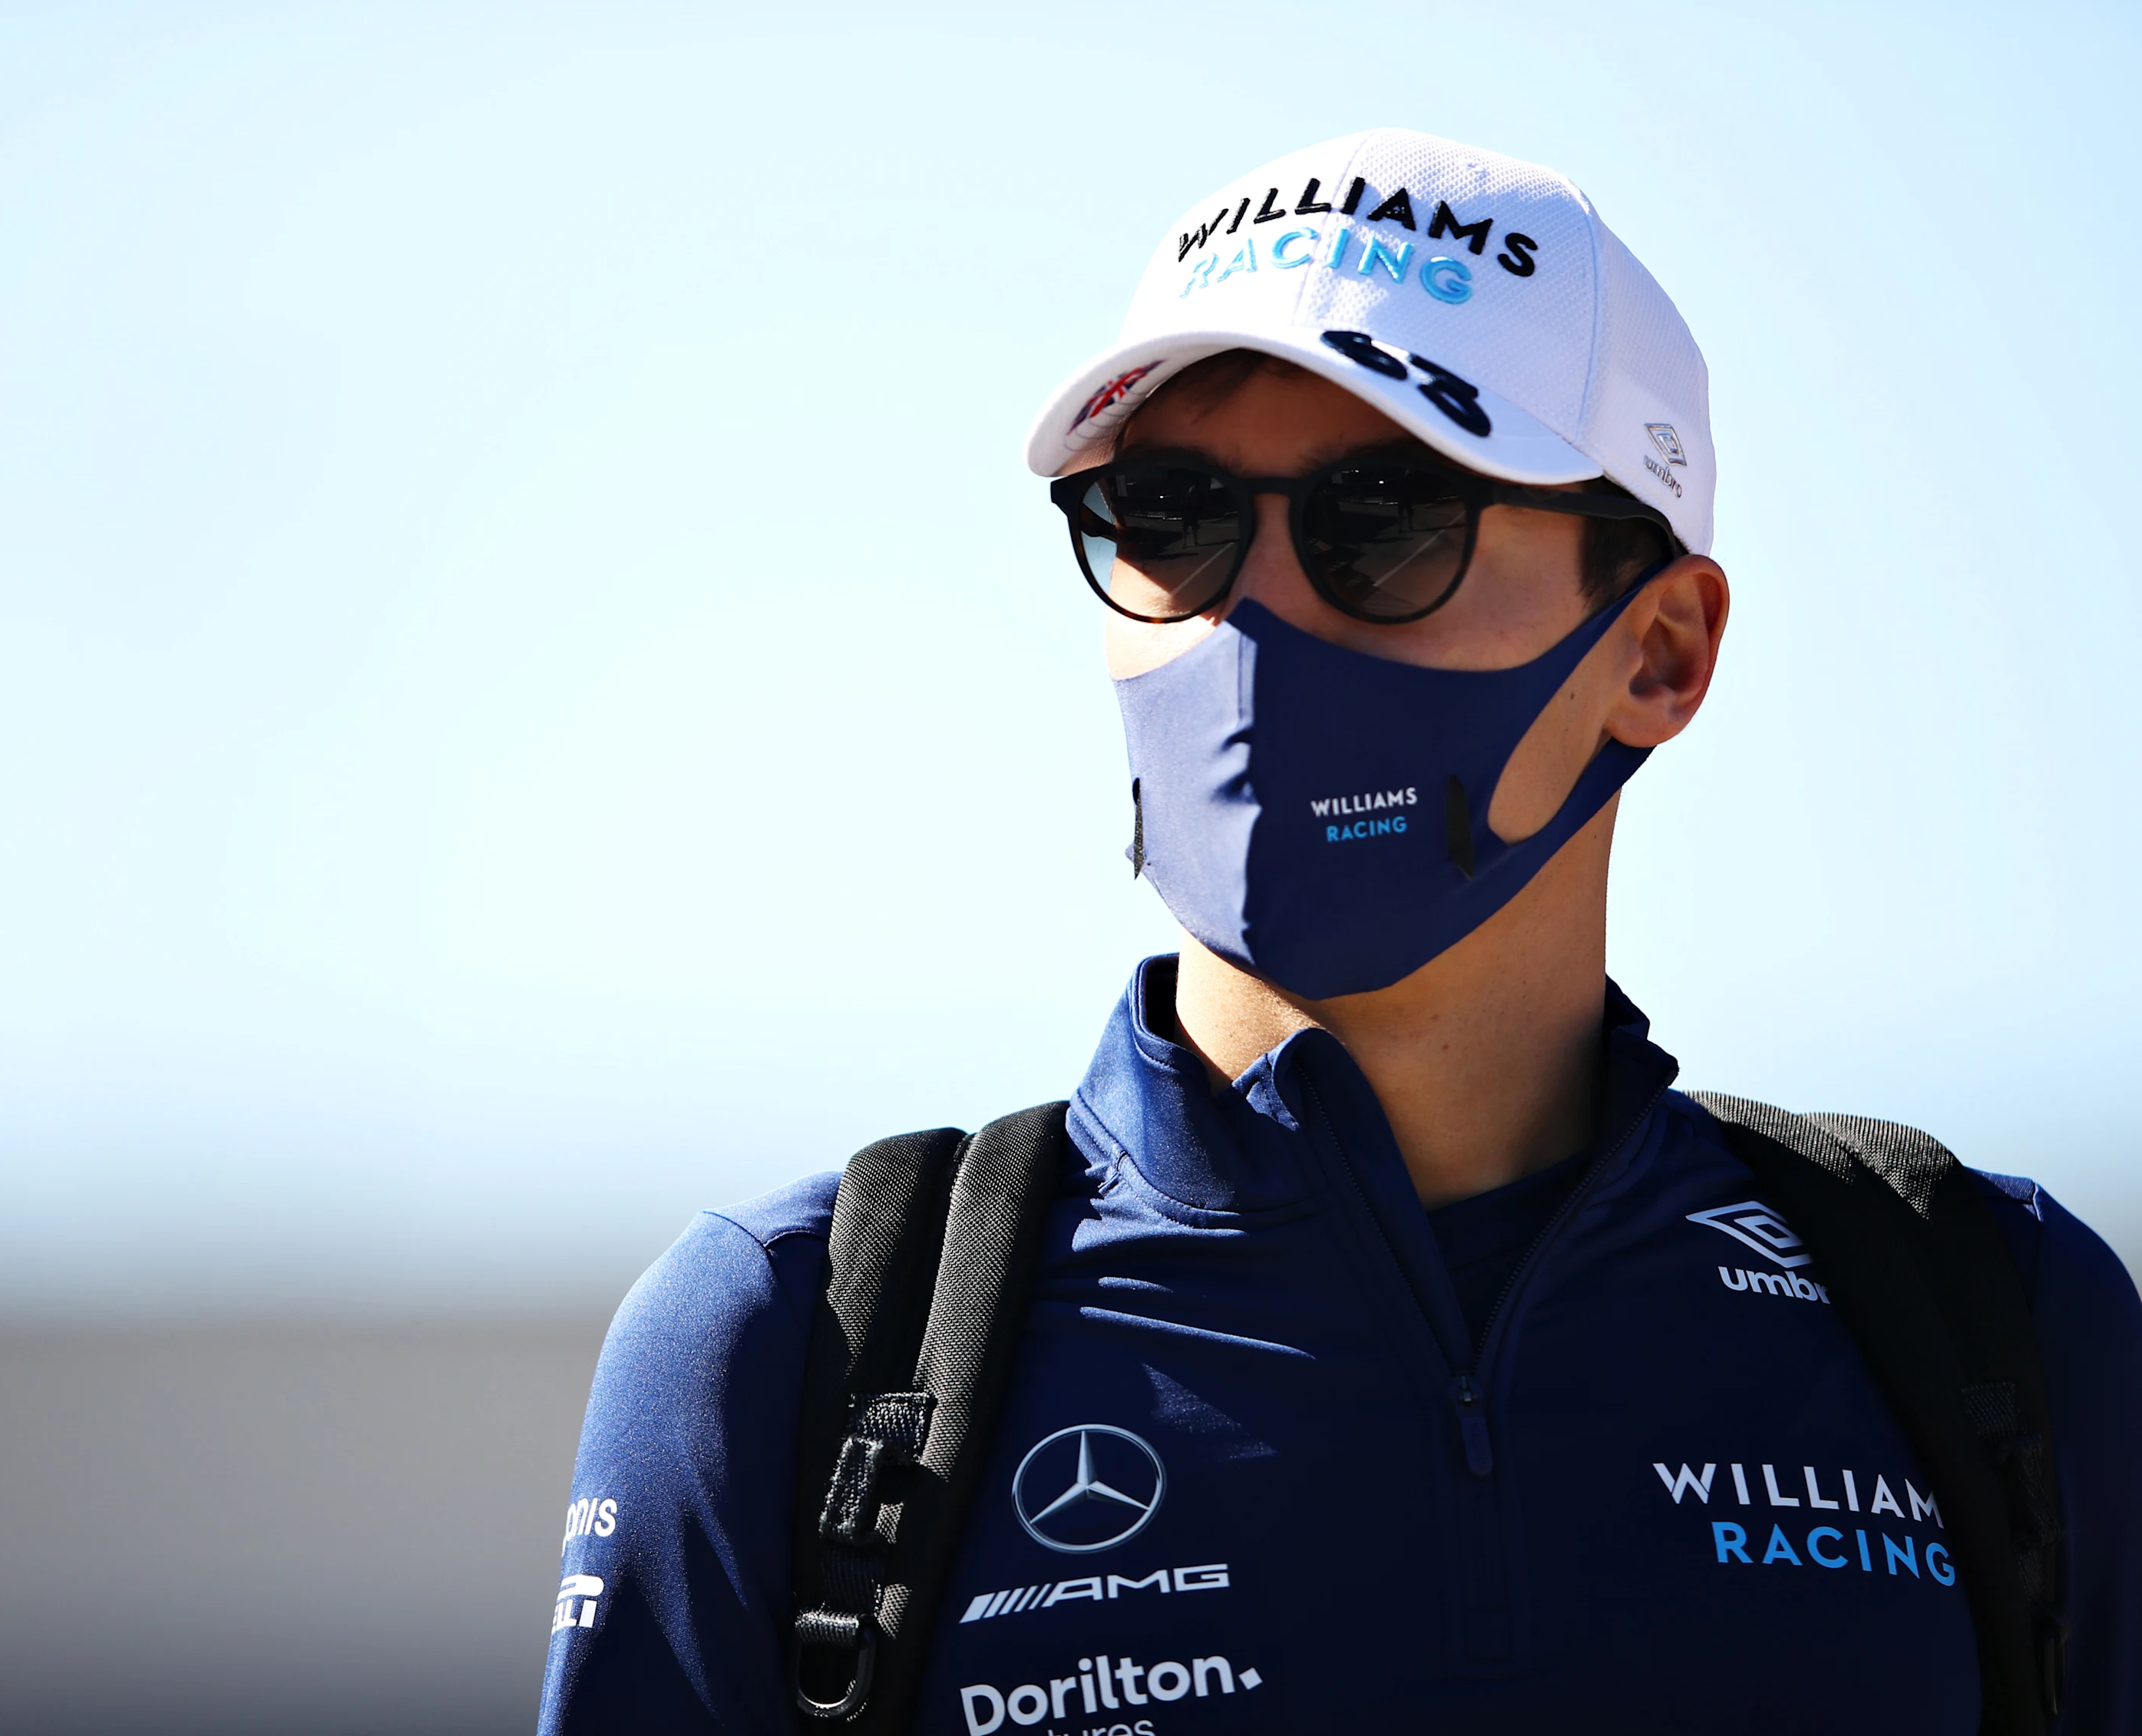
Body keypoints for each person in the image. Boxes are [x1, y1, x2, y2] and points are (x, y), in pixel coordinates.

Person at [534, 127, 2142, 1734]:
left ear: (1659, 648)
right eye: (1168, 512)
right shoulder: (796, 1343)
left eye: (1384, 514)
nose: (1251, 614)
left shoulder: (1996, 1314)